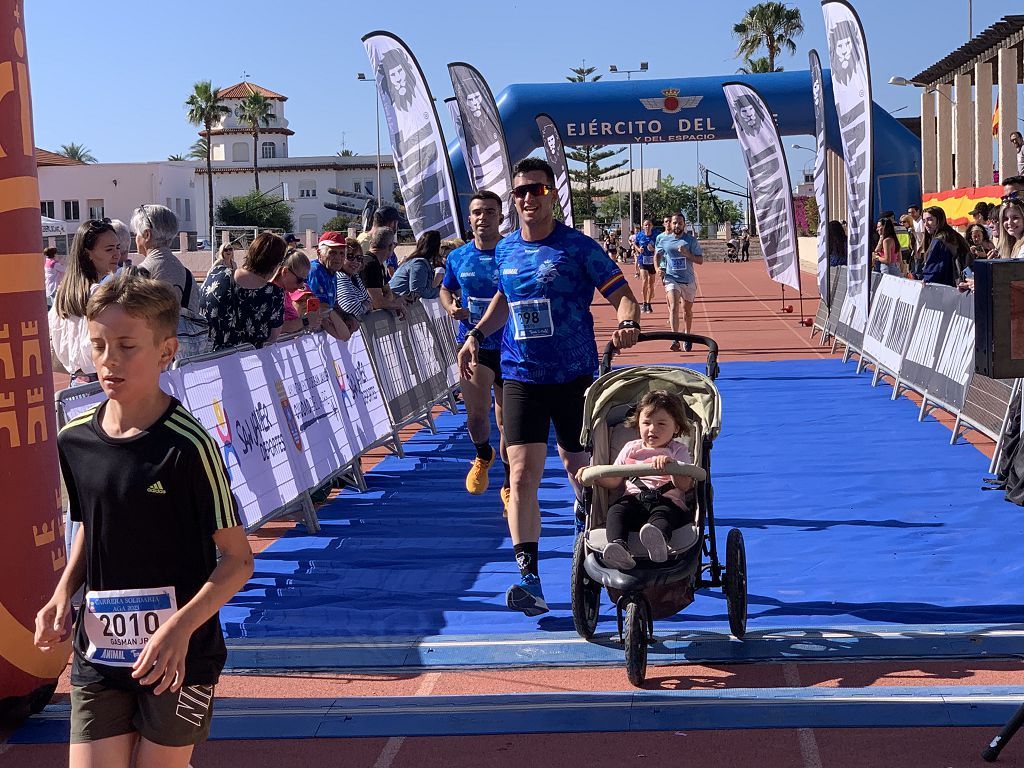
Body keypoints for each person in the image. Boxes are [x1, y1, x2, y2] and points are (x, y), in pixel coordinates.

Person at [35, 271, 253, 767]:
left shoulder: (188, 445)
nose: (109, 360)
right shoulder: (74, 440)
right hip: (99, 650)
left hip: (181, 657)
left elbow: (238, 561)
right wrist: (63, 593)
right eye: (99, 345)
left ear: (166, 352)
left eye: (127, 346)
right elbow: (94, 522)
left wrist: (178, 629)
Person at [457, 157, 640, 617]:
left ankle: (599, 541)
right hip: (521, 376)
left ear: (552, 193)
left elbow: (622, 295)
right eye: (519, 191)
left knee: (579, 470)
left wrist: (628, 321)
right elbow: (505, 299)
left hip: (574, 377)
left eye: (536, 190)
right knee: (520, 475)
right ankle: (530, 580)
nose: (527, 198)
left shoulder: (578, 247)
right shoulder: (505, 250)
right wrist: (477, 335)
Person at [440, 190, 511, 511]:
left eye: (490, 212)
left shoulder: (512, 253)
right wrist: (450, 307)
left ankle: (510, 484)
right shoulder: (458, 257)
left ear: (500, 217)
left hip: (512, 347)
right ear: (469, 219)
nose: (483, 218)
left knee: (507, 421)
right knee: (477, 419)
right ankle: (483, 454)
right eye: (477, 212)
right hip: (472, 345)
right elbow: (446, 288)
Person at [579, 390, 694, 570]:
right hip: (634, 500)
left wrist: (673, 467)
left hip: (668, 501)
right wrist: (595, 475)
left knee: (663, 514)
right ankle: (618, 546)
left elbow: (685, 485)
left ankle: (657, 540)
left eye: (661, 424)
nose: (652, 429)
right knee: (617, 511)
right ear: (638, 424)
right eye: (646, 423)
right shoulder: (631, 448)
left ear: (677, 428)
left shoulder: (677, 450)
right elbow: (615, 480)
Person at [49, 219, 121, 385]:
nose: (116, 254)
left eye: (118, 247)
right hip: (100, 381)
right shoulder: (98, 293)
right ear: (87, 253)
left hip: (76, 381)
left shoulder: (64, 293)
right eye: (109, 249)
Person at [131, 204, 208, 359]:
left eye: (136, 234)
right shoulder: (187, 275)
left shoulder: (139, 274)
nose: (136, 239)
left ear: (147, 234)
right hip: (184, 361)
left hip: (151, 361)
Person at [200, 232, 287, 350]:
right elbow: (272, 338)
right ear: (275, 264)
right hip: (249, 363)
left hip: (208, 360)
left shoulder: (216, 274)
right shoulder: (274, 294)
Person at [656, 213, 703, 351]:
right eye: (675, 223)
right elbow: (657, 255)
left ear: (684, 225)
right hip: (671, 278)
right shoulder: (664, 240)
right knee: (674, 307)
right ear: (670, 224)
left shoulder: (691, 241)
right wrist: (657, 267)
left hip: (688, 280)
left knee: (687, 310)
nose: (677, 225)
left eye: (680, 223)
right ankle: (675, 338)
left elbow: (700, 260)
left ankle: (687, 335)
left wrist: (687, 254)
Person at [920, 206, 969, 287]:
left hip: (945, 285)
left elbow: (935, 269)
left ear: (939, 220)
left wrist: (926, 278)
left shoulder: (940, 240)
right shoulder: (953, 235)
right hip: (959, 283)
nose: (926, 224)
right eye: (924, 221)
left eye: (930, 219)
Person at [362, 227, 406, 315]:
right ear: (390, 247)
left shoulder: (379, 264)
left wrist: (400, 298)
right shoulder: (371, 265)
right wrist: (397, 305)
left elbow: (387, 291)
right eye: (395, 245)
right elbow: (378, 302)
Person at [389, 230, 443, 302]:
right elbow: (418, 291)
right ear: (435, 247)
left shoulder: (415, 262)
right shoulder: (419, 264)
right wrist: (442, 291)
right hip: (394, 303)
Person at [335, 237, 374, 320]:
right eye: (350, 257)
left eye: (359, 258)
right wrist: (366, 305)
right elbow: (352, 309)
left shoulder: (356, 277)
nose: (356, 261)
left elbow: (369, 300)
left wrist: (364, 304)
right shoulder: (341, 277)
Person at [308, 231, 346, 308]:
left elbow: (333, 304)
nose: (338, 258)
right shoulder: (315, 271)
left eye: (342, 253)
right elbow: (321, 307)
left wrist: (348, 316)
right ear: (319, 253)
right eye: (333, 253)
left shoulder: (331, 271)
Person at [634, 219, 657, 313]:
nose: (647, 226)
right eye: (645, 225)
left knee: (651, 283)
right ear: (643, 226)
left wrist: (653, 249)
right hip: (642, 260)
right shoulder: (639, 235)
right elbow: (635, 244)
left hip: (652, 261)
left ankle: (649, 303)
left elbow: (660, 248)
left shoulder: (656, 236)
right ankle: (644, 303)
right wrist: (639, 249)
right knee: (644, 280)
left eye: (649, 225)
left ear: (652, 226)